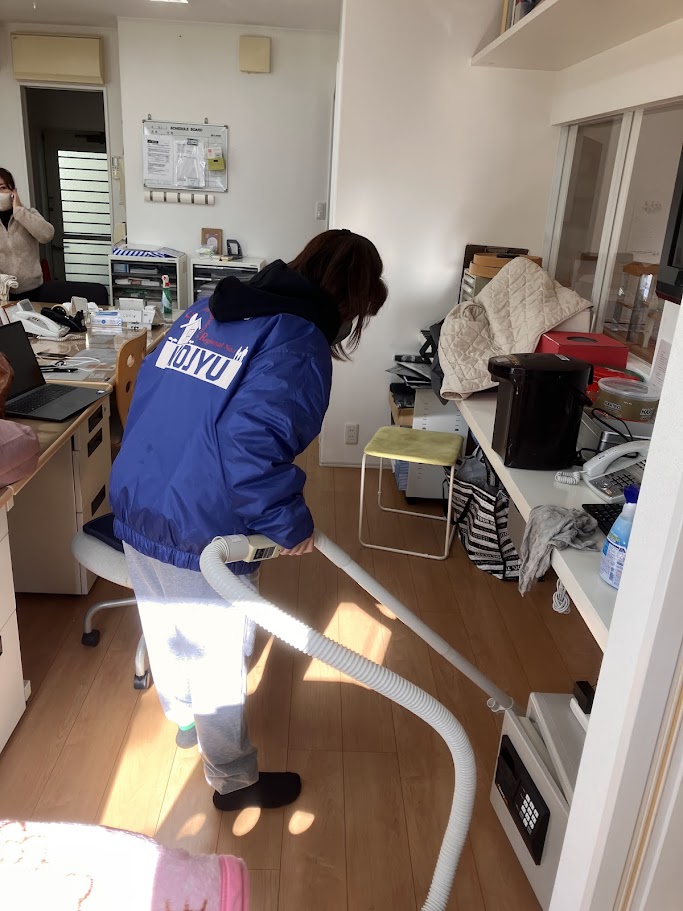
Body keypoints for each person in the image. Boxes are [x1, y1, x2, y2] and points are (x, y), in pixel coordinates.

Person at [109, 229, 387, 811]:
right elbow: (252, 446)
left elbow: (152, 391)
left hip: (139, 491)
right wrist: (289, 523)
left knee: (163, 622)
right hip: (198, 521)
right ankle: (233, 782)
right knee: (214, 653)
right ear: (348, 302)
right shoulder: (299, 341)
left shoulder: (209, 310)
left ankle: (184, 719)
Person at [0, 168, 54, 300]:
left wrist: (19, 211)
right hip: (4, 291)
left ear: (13, 191)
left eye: (3, 188)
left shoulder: (29, 214)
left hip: (33, 290)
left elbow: (47, 235)